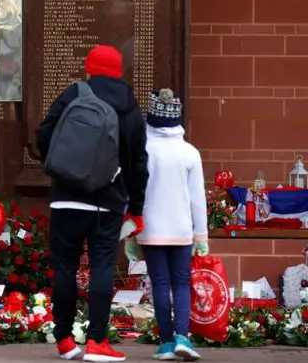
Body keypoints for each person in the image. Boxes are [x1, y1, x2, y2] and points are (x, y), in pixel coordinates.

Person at [37, 45, 148, 362]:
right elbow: (139, 161)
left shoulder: (75, 93)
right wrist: (136, 208)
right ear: (118, 70)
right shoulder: (128, 104)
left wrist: (62, 167)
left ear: (90, 69)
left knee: (64, 268)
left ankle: (65, 341)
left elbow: (42, 135)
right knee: (101, 267)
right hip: (107, 202)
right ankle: (98, 341)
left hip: (66, 198)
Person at [125, 89, 208, 361]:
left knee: (160, 283)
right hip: (182, 230)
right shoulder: (189, 153)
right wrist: (201, 235)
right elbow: (198, 199)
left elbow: (132, 192)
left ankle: (166, 343)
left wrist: (129, 233)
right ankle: (183, 336)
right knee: (182, 283)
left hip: (150, 229)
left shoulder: (143, 150)